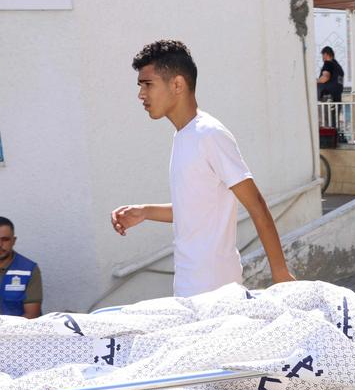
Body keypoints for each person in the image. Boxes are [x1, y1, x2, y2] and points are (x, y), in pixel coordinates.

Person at [111, 40, 294, 297]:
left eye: (147, 84)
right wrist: (145, 212)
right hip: (188, 286)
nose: (141, 94)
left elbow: (256, 205)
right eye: (140, 85)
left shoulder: (210, 134)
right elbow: (197, 208)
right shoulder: (183, 136)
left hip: (215, 290)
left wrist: (280, 273)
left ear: (177, 84)